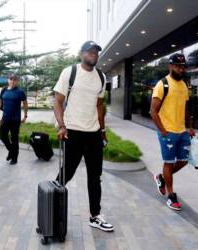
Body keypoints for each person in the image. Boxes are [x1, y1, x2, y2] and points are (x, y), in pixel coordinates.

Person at [53, 41, 114, 232]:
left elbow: (99, 105)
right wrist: (62, 125)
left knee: (95, 176)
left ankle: (95, 216)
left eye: (96, 52)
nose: (94, 54)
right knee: (66, 173)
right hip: (72, 132)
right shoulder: (69, 72)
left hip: (94, 134)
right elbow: (57, 101)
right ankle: (51, 209)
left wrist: (102, 131)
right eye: (90, 51)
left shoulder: (101, 77)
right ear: (82, 54)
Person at [151, 53, 195, 211]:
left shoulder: (184, 85)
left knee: (183, 161)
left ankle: (161, 177)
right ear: (170, 66)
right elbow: (153, 111)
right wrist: (162, 131)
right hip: (167, 131)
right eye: (177, 66)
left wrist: (189, 127)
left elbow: (186, 109)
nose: (180, 69)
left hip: (182, 131)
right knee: (169, 163)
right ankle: (171, 196)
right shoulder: (162, 84)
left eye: (182, 66)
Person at [0, 74, 28, 165]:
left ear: (17, 81)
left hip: (15, 119)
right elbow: (0, 102)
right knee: (2, 134)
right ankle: (11, 150)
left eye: (14, 80)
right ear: (8, 80)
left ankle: (14, 158)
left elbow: (25, 104)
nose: (12, 81)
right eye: (11, 79)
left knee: (14, 138)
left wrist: (25, 116)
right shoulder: (4, 90)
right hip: (5, 118)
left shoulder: (20, 92)